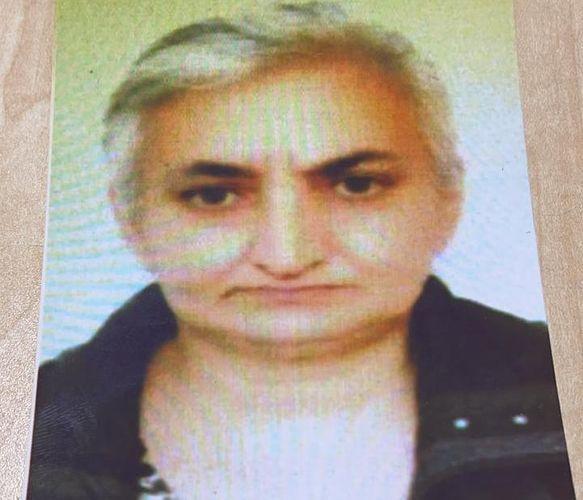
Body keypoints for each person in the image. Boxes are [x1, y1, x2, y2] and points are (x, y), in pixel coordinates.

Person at [27, 3, 575, 499]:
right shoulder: (28, 429)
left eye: (356, 185)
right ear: (131, 220)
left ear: (448, 201)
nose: (287, 255)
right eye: (214, 196)